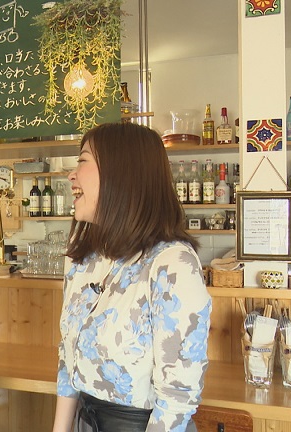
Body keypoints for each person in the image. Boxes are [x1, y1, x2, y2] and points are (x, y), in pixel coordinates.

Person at [52, 122, 211, 432]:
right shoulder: (83, 257)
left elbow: (177, 399)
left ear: (121, 173)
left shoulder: (172, 264)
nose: (71, 175)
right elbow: (67, 358)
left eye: (82, 161)